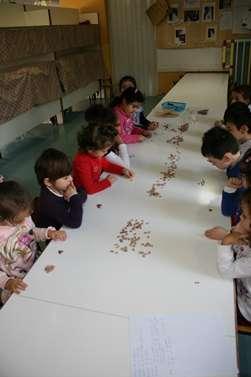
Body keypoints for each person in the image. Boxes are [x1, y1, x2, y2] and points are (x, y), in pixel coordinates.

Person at [0, 180, 66, 304]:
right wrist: (7, 282)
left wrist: (48, 233)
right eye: (19, 220)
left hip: (36, 264)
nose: (26, 219)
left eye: (28, 213)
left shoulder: (24, 216)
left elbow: (31, 232)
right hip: (16, 281)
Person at [210, 189, 251, 325]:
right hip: (239, 284)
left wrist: (226, 241)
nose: (240, 218)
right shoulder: (247, 232)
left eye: (244, 216)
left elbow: (226, 271)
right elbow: (240, 243)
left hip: (245, 308)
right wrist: (229, 235)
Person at [73, 122, 134, 194]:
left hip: (96, 184)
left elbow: (107, 165)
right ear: (90, 149)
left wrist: (122, 170)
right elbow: (90, 189)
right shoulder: (82, 162)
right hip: (82, 191)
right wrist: (108, 182)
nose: (106, 153)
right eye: (104, 151)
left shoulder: (96, 154)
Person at [33, 148, 87, 229]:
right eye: (65, 177)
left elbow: (83, 192)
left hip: (64, 221)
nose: (71, 179)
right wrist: (74, 197)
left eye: (70, 174)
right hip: (54, 233)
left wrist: (74, 198)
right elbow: (75, 223)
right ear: (48, 182)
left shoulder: (61, 184)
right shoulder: (49, 203)